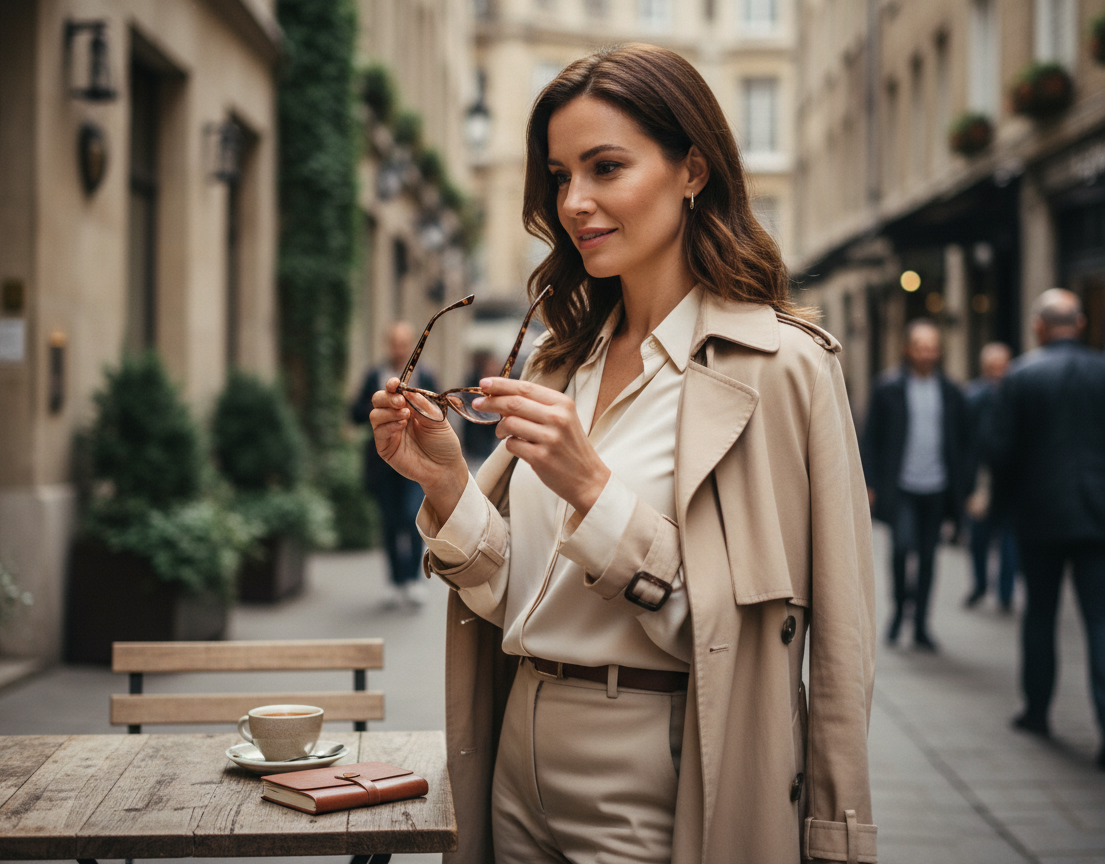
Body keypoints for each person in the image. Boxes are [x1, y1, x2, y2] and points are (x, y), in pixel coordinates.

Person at [368, 44, 877, 864]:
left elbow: (829, 639)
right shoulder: (561, 362)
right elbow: (521, 598)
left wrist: (592, 489)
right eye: (561, 176)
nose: (576, 201)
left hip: (664, 771)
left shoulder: (784, 367)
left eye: (606, 167)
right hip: (516, 755)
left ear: (693, 170)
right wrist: (445, 483)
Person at [987, 289, 1105, 769]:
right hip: (1099, 517)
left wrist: (1002, 506)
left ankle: (1037, 711)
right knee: (1100, 621)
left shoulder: (1020, 375)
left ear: (1039, 327)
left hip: (1040, 517)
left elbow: (1001, 451)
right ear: (1078, 323)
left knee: (1040, 614)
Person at [861, 319, 971, 650]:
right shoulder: (888, 388)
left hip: (937, 486)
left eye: (933, 347)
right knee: (900, 548)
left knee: (927, 556)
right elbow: (871, 439)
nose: (927, 353)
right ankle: (898, 612)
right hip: (902, 486)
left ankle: (921, 622)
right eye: (921, 347)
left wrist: (963, 486)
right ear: (908, 349)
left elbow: (964, 442)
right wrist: (870, 483)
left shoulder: (951, 391)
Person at [351, 321, 437, 609]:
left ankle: (412, 579)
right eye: (395, 343)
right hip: (381, 463)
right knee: (388, 522)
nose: (399, 349)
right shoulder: (374, 376)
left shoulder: (426, 376)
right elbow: (354, 412)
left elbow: (440, 415)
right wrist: (378, 408)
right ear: (388, 345)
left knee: (412, 517)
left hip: (415, 461)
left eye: (404, 343)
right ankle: (395, 581)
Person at [963, 341, 1018, 611]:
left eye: (1002, 367)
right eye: (993, 367)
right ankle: (981, 584)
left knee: (1009, 540)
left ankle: (1005, 592)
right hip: (983, 480)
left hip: (1010, 482)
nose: (998, 372)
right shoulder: (973, 396)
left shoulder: (1018, 394)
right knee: (979, 538)